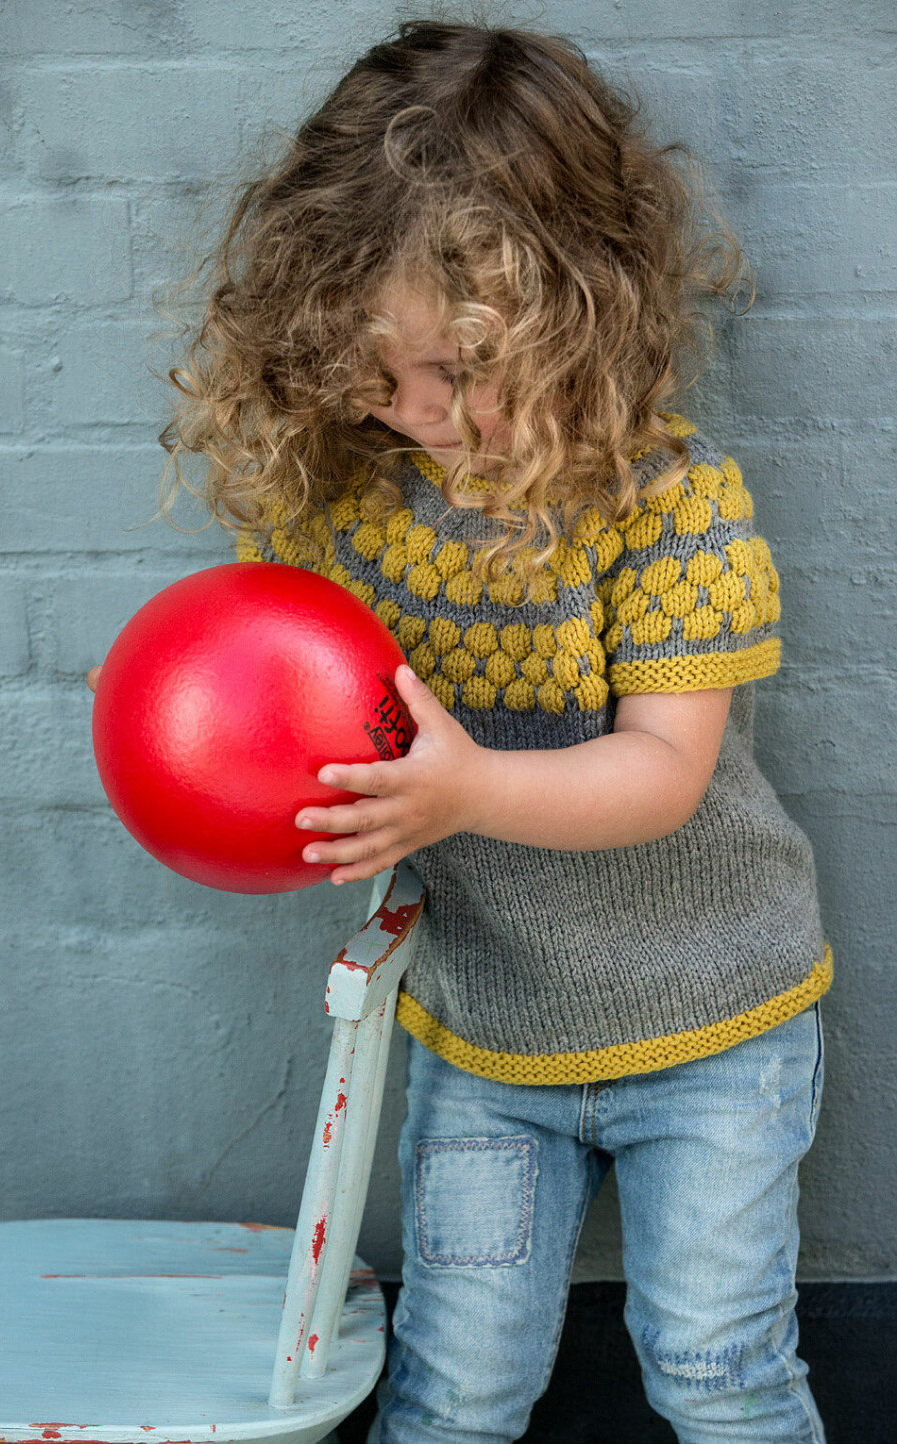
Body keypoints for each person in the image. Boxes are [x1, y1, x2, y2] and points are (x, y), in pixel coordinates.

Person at [88, 19, 831, 1442]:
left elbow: (666, 773)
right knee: (458, 1386)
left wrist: (463, 788)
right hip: (490, 1038)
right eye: (380, 369)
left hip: (714, 1022)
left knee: (713, 1368)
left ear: (577, 317)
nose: (415, 410)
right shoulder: (353, 510)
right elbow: (267, 700)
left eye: (456, 369)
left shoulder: (670, 504)